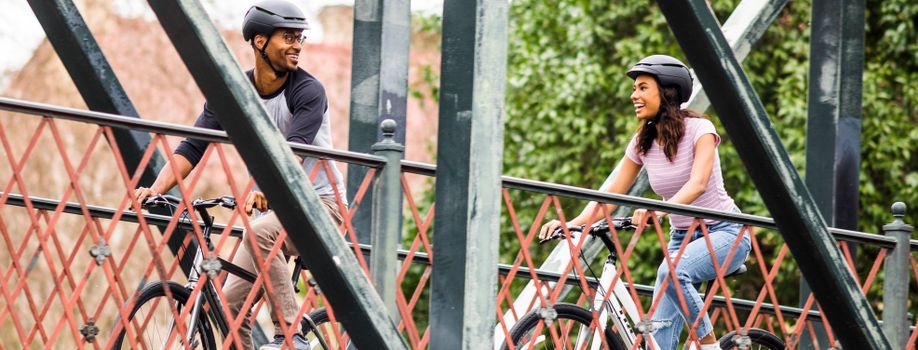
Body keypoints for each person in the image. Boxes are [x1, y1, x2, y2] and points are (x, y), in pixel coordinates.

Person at [133, 1, 346, 349]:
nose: (297, 45)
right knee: (230, 308)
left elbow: (291, 154)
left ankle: (291, 339)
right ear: (259, 42)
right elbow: (191, 147)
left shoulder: (307, 91)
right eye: (288, 37)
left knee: (260, 232)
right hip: (274, 211)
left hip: (320, 204)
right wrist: (154, 189)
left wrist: (267, 190)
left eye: (300, 38)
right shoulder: (233, 93)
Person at [539, 55, 750, 350]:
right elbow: (609, 197)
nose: (633, 95)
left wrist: (658, 210)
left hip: (726, 233)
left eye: (642, 87)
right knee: (657, 342)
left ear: (667, 92)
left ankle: (708, 343)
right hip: (681, 239)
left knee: (673, 272)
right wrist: (571, 224)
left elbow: (698, 182)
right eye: (634, 89)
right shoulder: (643, 141)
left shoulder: (701, 130)